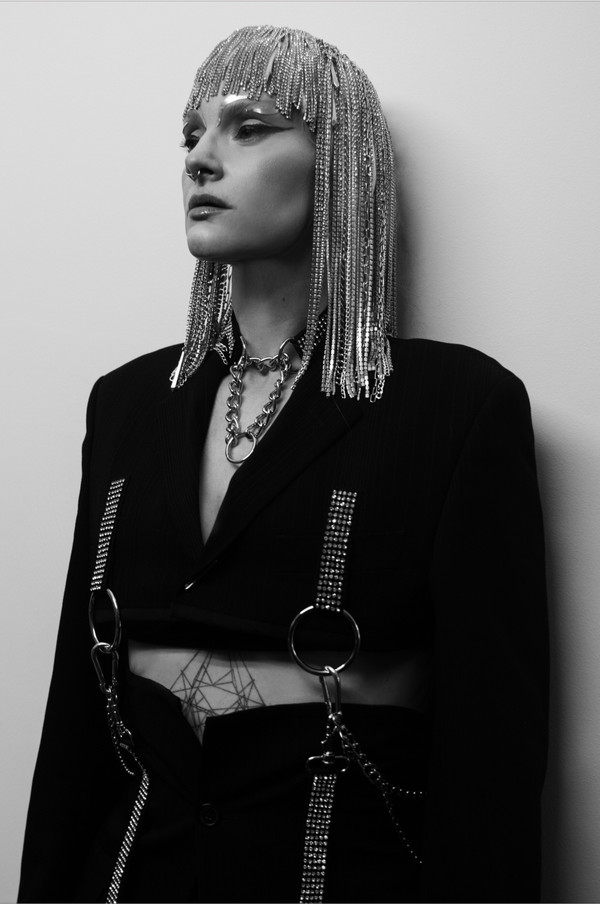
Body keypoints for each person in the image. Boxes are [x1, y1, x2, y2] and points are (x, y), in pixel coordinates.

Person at [18, 25, 549, 904]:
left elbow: (491, 751)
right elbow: (75, 722)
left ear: (339, 161)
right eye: (191, 135)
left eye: (250, 127)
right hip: (133, 874)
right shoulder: (127, 402)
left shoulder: (456, 407)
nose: (201, 159)